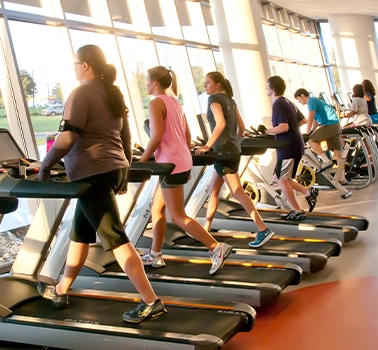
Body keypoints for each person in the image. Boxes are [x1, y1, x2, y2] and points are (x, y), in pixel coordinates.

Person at [36, 45, 166, 324]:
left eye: (75, 64)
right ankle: (60, 290)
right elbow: (126, 137)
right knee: (81, 233)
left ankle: (150, 301)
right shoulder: (112, 93)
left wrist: (45, 165)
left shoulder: (81, 93)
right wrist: (124, 171)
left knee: (115, 237)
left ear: (85, 65)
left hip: (91, 172)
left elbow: (67, 139)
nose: (73, 68)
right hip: (114, 167)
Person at [138, 66, 231, 274]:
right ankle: (155, 254)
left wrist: (142, 161)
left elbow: (156, 137)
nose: (145, 84)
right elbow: (187, 137)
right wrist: (185, 161)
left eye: (146, 81)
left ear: (154, 83)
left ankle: (216, 248)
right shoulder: (174, 103)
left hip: (170, 164)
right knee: (157, 209)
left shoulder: (156, 103)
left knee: (178, 216)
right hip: (178, 161)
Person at [195, 71, 275, 248]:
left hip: (223, 152)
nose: (205, 86)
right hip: (231, 150)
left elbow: (221, 123)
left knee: (237, 191)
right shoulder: (231, 101)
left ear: (218, 85)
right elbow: (241, 127)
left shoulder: (213, 99)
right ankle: (205, 229)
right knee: (212, 191)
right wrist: (235, 143)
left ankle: (263, 228)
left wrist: (208, 145)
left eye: (208, 82)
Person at [264, 76, 319, 220]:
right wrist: (292, 130)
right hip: (295, 143)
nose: (265, 89)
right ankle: (307, 192)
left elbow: (283, 126)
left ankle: (297, 210)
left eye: (267, 86)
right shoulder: (289, 102)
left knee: (281, 178)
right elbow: (303, 120)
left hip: (287, 146)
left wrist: (267, 131)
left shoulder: (278, 104)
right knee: (279, 177)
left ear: (272, 89)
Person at [293, 88, 347, 184]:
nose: (298, 102)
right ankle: (342, 178)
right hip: (336, 125)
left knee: (311, 140)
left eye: (298, 99)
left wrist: (307, 133)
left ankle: (326, 161)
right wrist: (312, 131)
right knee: (338, 153)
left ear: (302, 95)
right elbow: (315, 120)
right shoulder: (315, 101)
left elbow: (309, 118)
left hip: (330, 125)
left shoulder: (311, 101)